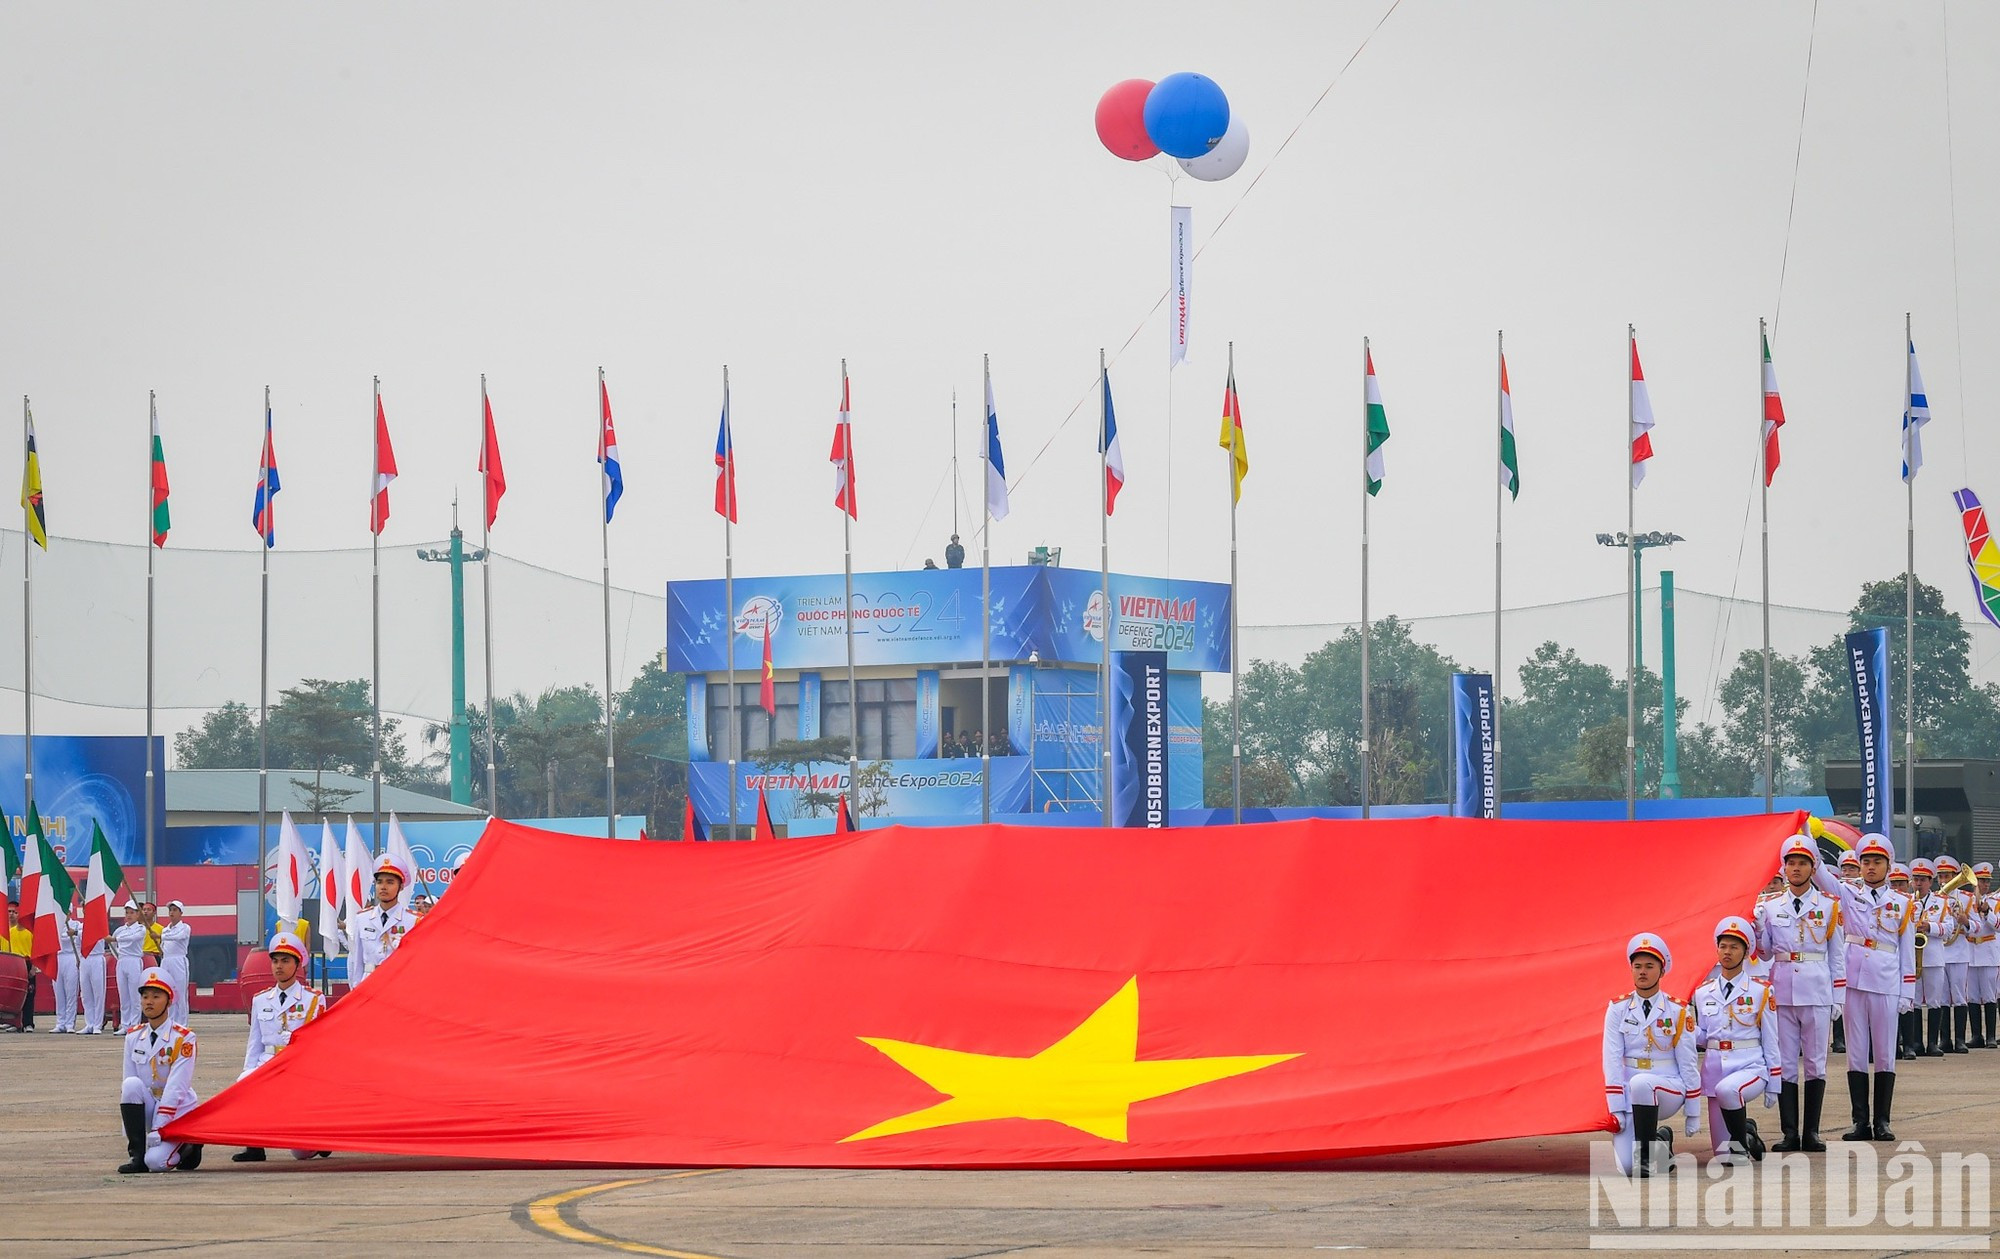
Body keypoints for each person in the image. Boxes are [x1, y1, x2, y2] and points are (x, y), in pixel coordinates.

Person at [1812, 832, 1916, 1141]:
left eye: (1877, 862)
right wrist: (1807, 835)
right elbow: (1819, 873)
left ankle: (1882, 1121)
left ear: (1889, 865)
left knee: (1885, 1053)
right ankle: (1860, 1121)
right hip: (1854, 979)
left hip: (1886, 979)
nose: (1870, 867)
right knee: (1856, 1053)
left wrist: (1906, 991)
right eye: (1866, 862)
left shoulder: (1901, 903)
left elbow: (1907, 948)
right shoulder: (1847, 892)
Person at [1754, 834, 1842, 1151]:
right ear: (1784, 867)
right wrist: (1759, 928)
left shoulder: (1829, 906)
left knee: (1816, 1063)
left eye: (1802, 862)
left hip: (1817, 989)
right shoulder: (1771, 906)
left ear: (1812, 866)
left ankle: (1812, 1132)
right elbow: (1763, 954)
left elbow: (1837, 954)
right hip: (1782, 990)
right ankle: (1790, 1132)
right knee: (1786, 1064)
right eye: (1791, 862)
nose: (1796, 868)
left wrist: (1839, 996)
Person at [1601, 931, 1699, 1178]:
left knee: (1642, 1082)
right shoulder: (1618, 1008)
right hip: (1630, 1091)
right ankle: (1659, 1142)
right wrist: (1616, 1108)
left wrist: (1693, 1111)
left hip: (1669, 1086)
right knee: (1625, 1167)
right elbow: (1611, 1058)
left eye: (1649, 966)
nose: (1642, 972)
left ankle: (1647, 1158)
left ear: (1662, 970)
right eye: (1637, 966)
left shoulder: (1679, 1010)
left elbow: (1688, 1061)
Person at [233, 932, 329, 1163]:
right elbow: (254, 1042)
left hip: (297, 1066)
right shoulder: (260, 1000)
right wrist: (248, 1072)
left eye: (285, 961)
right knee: (245, 1081)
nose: (279, 966)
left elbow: (316, 1044)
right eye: (275, 961)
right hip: (267, 1062)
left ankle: (320, 1138)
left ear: (297, 965)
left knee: (301, 1154)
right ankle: (254, 1146)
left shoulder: (313, 999)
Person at [1692, 916, 1780, 1164]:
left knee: (1728, 1090)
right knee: (1722, 1157)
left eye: (1734, 947)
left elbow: (1771, 1038)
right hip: (1715, 1070)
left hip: (1749, 1065)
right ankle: (1747, 1133)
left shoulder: (1761, 991)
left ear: (1746, 952)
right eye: (1723, 946)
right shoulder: (1702, 992)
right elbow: (1704, 1037)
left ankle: (1741, 1145)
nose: (1727, 952)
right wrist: (1686, 1030)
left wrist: (1774, 1082)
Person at [118, 967, 203, 1173]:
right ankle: (136, 1155)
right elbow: (129, 1083)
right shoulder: (133, 1036)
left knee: (156, 1163)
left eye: (156, 996)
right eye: (145, 996)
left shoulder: (183, 1038)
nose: (149, 1001)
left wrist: (159, 1126)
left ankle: (190, 1146)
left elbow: (177, 1087)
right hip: (150, 1102)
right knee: (130, 1084)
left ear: (168, 1001)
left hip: (177, 1110)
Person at [347, 854, 418, 985]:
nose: (383, 887)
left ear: (401, 886)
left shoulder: (413, 921)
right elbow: (356, 960)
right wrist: (355, 989)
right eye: (379, 882)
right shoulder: (362, 918)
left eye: (390, 882)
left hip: (399, 983)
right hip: (368, 983)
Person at [1910, 859, 1953, 1055]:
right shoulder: (1907, 902)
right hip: (1913, 957)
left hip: (1934, 956)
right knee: (1915, 1000)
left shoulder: (1942, 902)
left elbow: (1950, 929)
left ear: (1930, 881)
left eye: (1922, 880)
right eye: (1916, 879)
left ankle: (1933, 1043)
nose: (1918, 883)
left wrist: (1930, 927)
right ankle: (1916, 1043)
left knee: (1935, 1000)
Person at [1935, 854, 1974, 1054]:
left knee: (1959, 996)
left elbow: (1976, 927)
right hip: (1940, 952)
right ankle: (1945, 1040)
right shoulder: (1934, 898)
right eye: (1941, 876)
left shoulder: (1967, 899)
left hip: (1958, 952)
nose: (1944, 880)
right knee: (1941, 998)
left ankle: (1960, 1039)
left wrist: (1965, 921)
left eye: (1948, 876)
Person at [1971, 862, 1998, 1050]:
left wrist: (1987, 911)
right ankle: (1976, 1035)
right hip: (1971, 951)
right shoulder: (1966, 901)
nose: (1985, 885)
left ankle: (1990, 1036)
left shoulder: (1995, 902)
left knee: (1989, 995)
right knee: (1972, 996)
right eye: (1981, 881)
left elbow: (1998, 925)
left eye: (1987, 881)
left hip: (1988, 950)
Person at [113, 903, 147, 1031]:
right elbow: (113, 944)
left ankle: (134, 1024)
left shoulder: (140, 928)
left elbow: (133, 938)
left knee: (134, 995)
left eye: (132, 913)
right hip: (122, 961)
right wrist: (118, 954)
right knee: (124, 995)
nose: (129, 915)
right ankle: (125, 1024)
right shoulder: (121, 929)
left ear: (138, 914)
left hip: (134, 960)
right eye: (127, 913)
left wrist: (117, 939)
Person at [158, 901, 192, 1026]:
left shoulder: (185, 928)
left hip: (178, 961)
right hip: (166, 961)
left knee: (180, 992)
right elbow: (163, 945)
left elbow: (178, 936)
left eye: (174, 910)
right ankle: (170, 1021)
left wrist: (161, 936)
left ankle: (182, 1023)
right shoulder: (165, 929)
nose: (171, 913)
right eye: (170, 910)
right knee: (168, 992)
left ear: (181, 913)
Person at [51, 898, 81, 1034]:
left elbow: (80, 937)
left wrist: (73, 933)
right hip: (58, 958)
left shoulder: (76, 925)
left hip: (71, 957)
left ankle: (70, 1023)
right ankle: (60, 1022)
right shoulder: (55, 925)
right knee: (59, 992)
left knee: (70, 992)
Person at [3, 906, 33, 1031]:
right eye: (10, 912)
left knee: (29, 995)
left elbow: (35, 951)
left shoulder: (30, 932)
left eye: (16, 913)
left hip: (27, 963)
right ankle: (15, 1023)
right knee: (14, 995)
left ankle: (28, 1023)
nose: (13, 915)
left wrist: (34, 968)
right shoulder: (10, 932)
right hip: (15, 965)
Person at [79, 906, 109, 1034]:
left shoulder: (100, 924)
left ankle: (97, 1024)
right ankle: (89, 1023)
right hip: (85, 959)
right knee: (85, 994)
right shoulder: (80, 926)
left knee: (98, 993)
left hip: (97, 958)